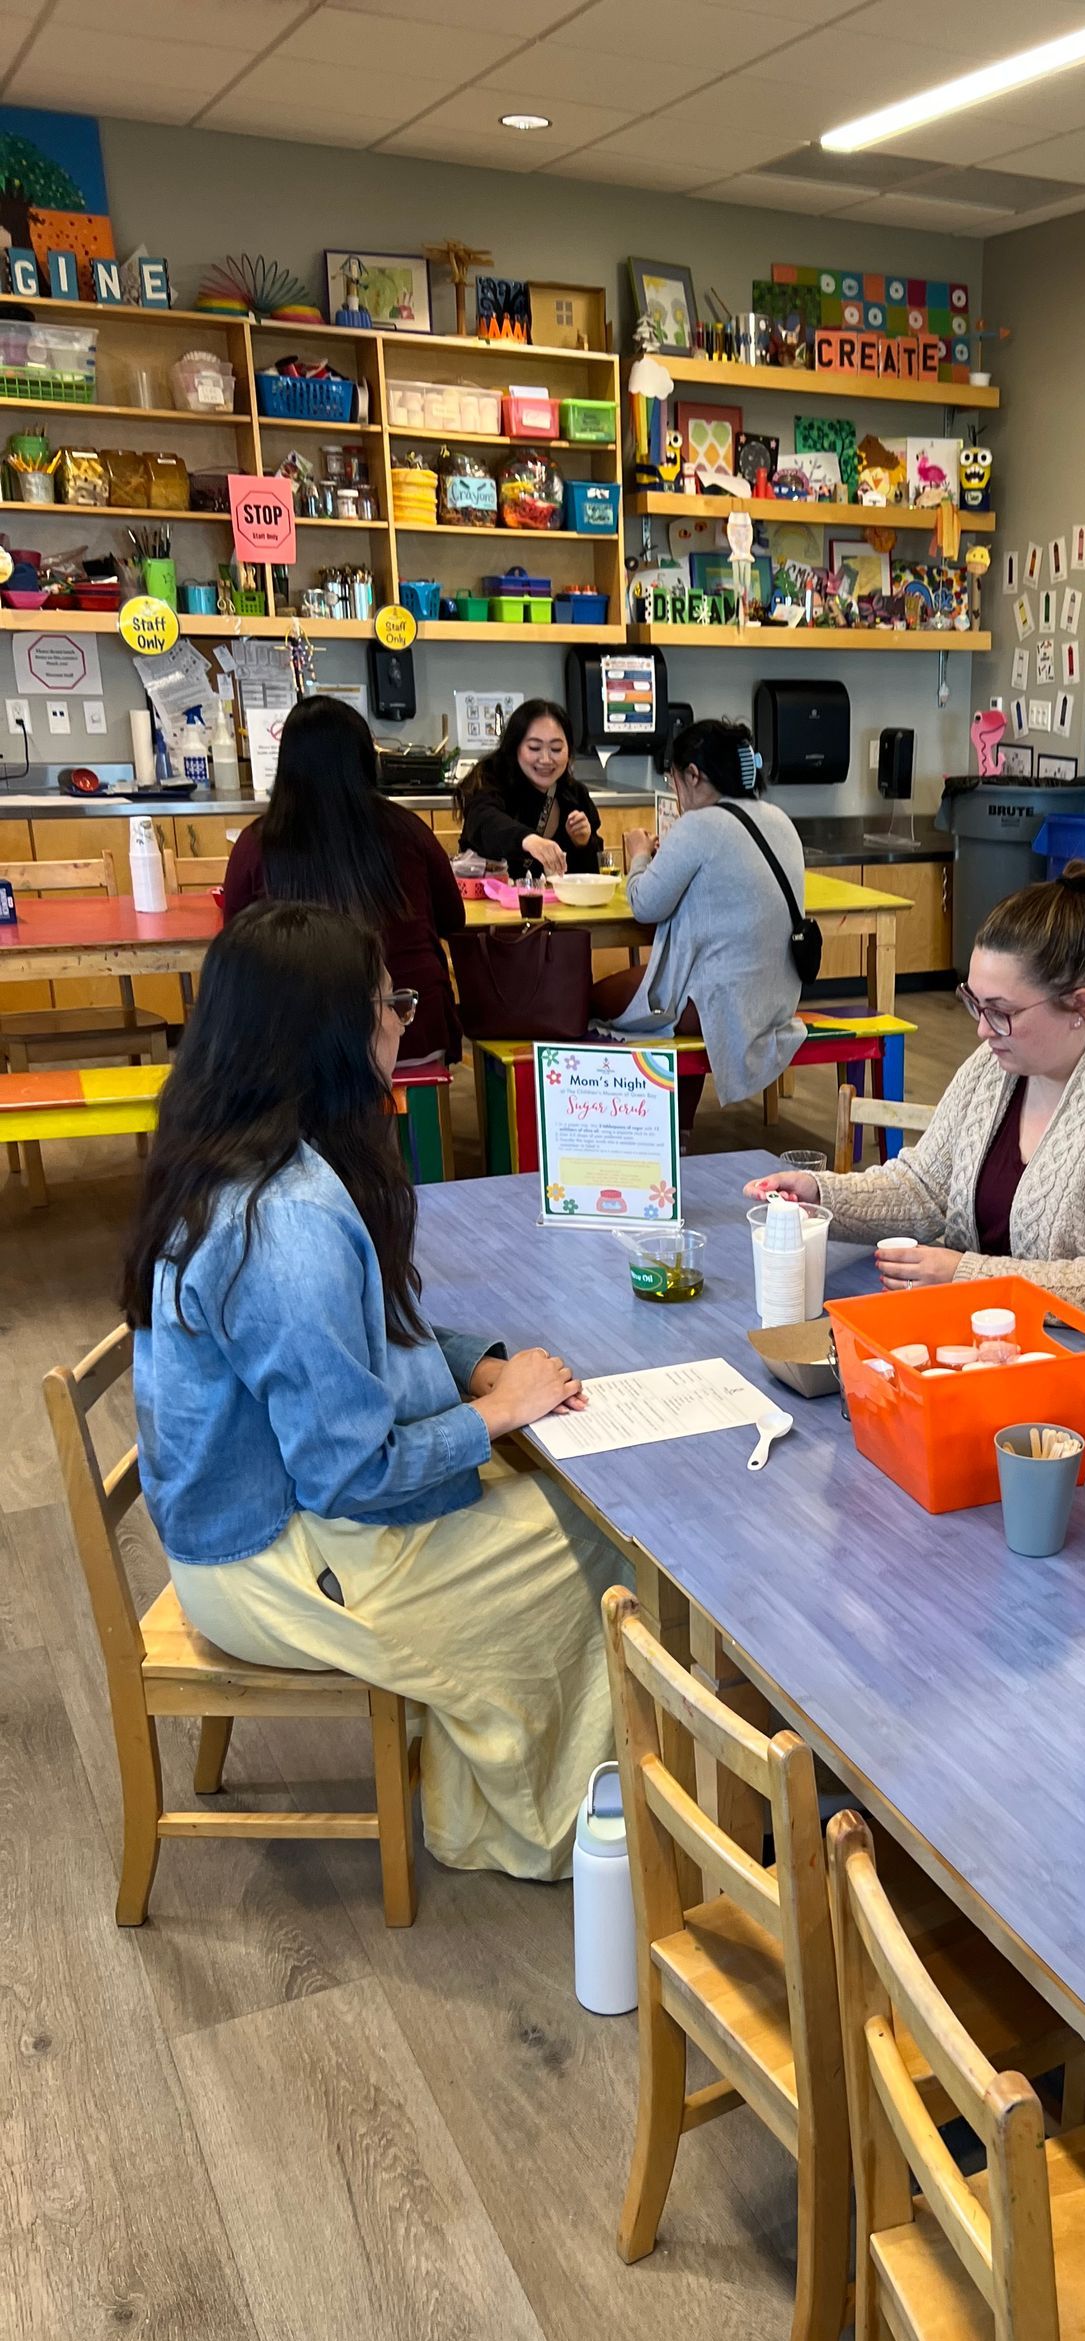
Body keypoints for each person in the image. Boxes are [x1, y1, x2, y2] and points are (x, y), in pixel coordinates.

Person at [123, 901, 628, 1881]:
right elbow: (349, 1474)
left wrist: (474, 1362)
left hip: (247, 1524)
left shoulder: (241, 1157)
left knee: (555, 1496)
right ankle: (531, 1822)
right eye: (387, 1004)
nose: (404, 1020)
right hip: (271, 1558)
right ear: (324, 1036)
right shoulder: (287, 1221)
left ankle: (493, 1784)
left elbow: (349, 1348)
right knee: (598, 1538)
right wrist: (495, 1409)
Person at [749, 862, 1085, 1395]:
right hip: (1022, 1347)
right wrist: (820, 1196)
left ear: (1079, 1006)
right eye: (974, 1002)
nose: (981, 1029)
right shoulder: (998, 1066)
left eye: (1000, 1011)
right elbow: (926, 1187)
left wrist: (966, 1277)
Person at [222, 695, 465, 1063]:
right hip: (414, 1026)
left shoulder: (258, 842)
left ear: (286, 765)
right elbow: (453, 919)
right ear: (365, 760)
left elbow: (238, 941)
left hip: (304, 1042)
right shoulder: (408, 828)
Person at [592, 716, 806, 1119]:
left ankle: (625, 1124)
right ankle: (683, 1129)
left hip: (722, 1006)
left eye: (673, 781)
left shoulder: (700, 824)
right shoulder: (779, 819)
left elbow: (645, 904)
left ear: (692, 774)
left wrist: (638, 852)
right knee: (693, 979)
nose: (675, 793)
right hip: (777, 1002)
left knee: (587, 1001)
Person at [456, 697, 604, 879]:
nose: (545, 759)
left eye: (556, 749)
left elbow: (591, 877)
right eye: (534, 748)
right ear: (515, 747)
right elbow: (484, 821)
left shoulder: (574, 794)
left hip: (555, 906)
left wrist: (583, 844)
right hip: (490, 903)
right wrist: (529, 840)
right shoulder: (490, 780)